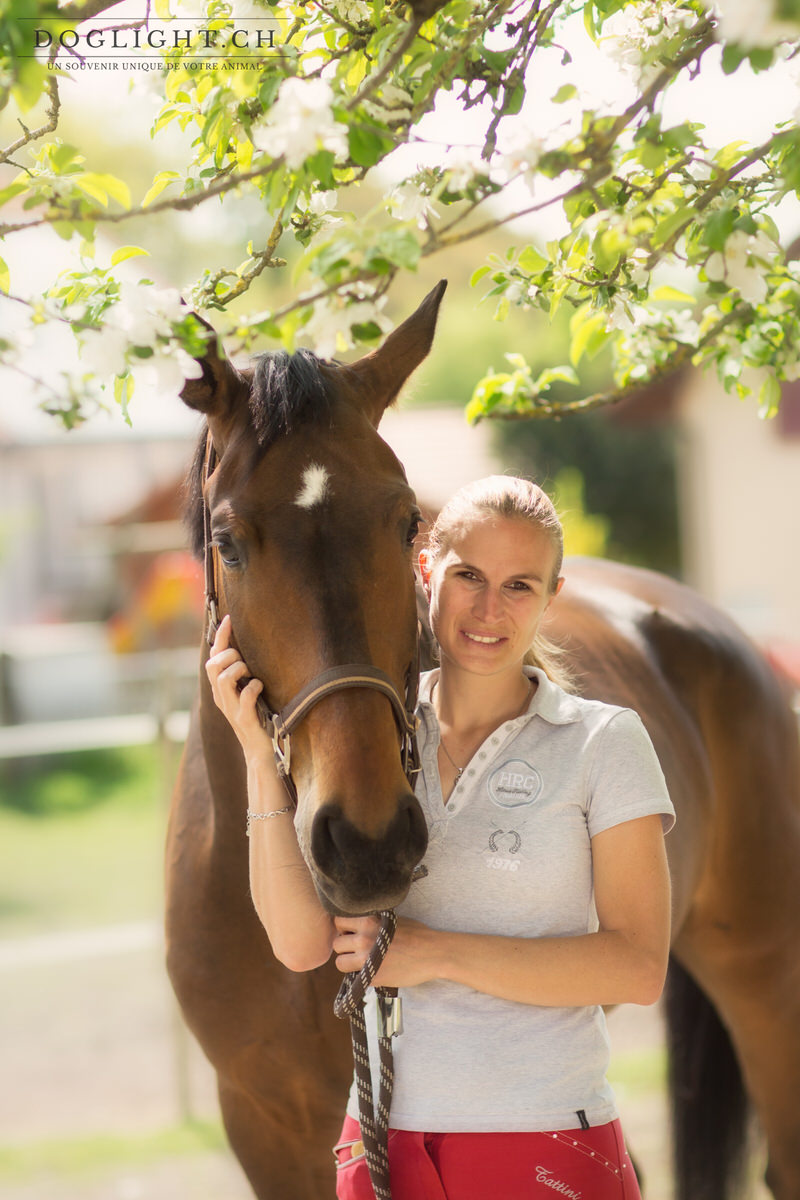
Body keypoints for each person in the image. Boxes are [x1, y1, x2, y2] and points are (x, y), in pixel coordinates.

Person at [206, 474, 675, 1200]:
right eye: (469, 576)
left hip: (547, 1137)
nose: (490, 610)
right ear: (425, 568)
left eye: (520, 585)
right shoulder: (364, 740)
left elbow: (637, 967)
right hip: (379, 1143)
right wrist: (256, 756)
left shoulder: (602, 742)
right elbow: (303, 945)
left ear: (552, 596)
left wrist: (435, 954)